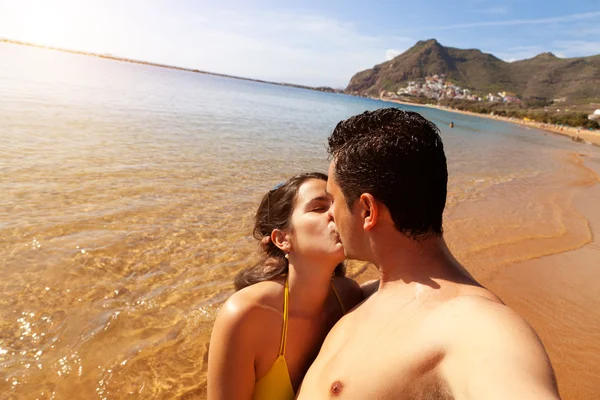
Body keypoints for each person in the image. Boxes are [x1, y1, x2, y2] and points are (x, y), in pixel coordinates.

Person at [297, 109, 561, 399]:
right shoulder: (361, 294)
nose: (331, 214)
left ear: (367, 210)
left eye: (333, 200)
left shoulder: (476, 324)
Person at [207, 172, 362, 400]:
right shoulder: (247, 315)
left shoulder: (350, 295)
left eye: (338, 204)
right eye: (319, 208)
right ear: (282, 239)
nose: (336, 213)